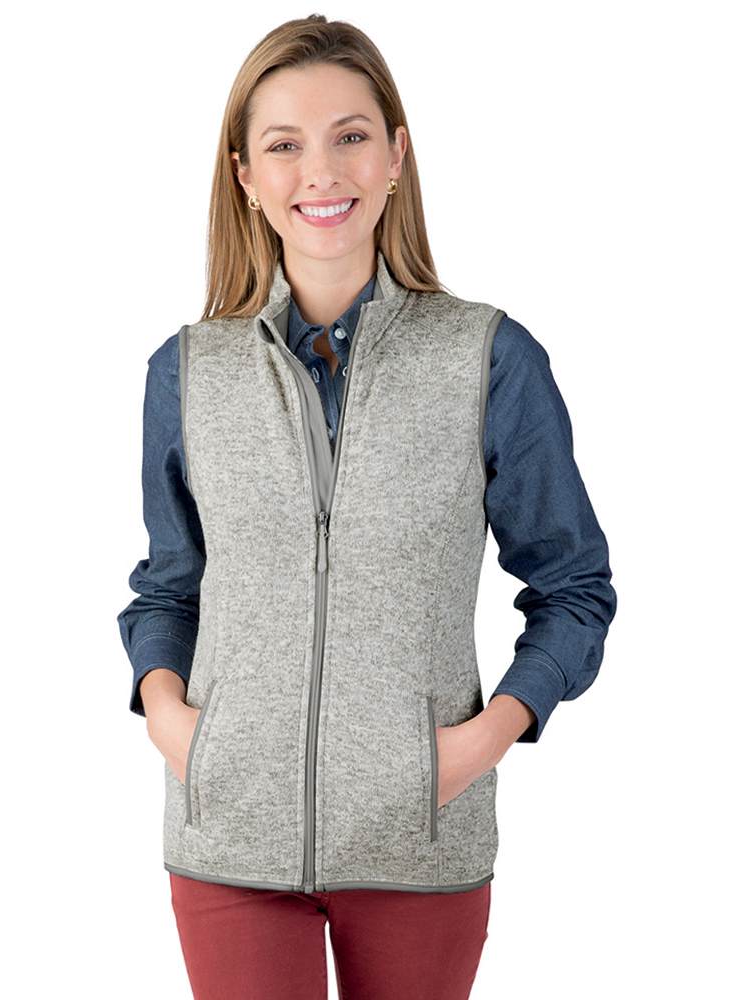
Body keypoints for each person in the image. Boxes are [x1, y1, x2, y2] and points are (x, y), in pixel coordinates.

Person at [118, 14, 616, 1000]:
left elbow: (573, 586)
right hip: (229, 840)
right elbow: (169, 587)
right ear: (244, 176)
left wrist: (483, 740)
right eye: (284, 145)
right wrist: (172, 721)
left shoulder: (490, 359)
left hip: (421, 837)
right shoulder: (187, 373)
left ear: (396, 154)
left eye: (349, 135)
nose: (321, 171)